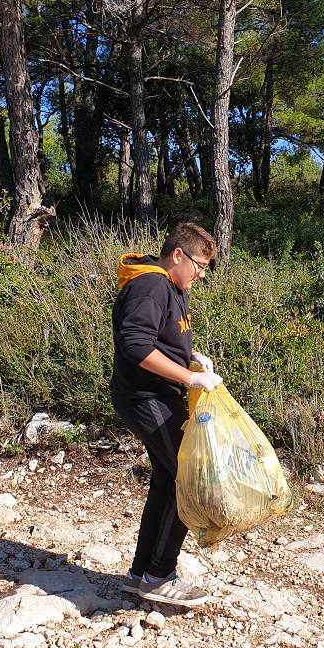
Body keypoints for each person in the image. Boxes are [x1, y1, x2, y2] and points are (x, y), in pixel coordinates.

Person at [110, 222, 222, 607]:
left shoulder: (171, 288)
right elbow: (136, 346)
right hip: (145, 396)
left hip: (159, 395)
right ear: (178, 255)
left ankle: (141, 573)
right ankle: (159, 576)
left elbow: (161, 339)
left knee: (166, 479)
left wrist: (192, 358)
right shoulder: (151, 285)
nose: (201, 274)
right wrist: (191, 379)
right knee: (184, 478)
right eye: (200, 266)